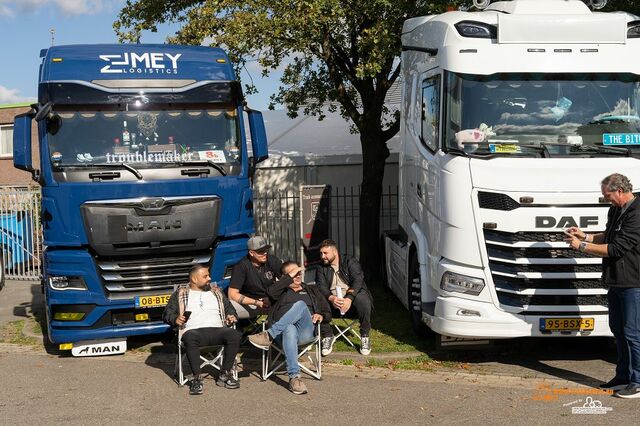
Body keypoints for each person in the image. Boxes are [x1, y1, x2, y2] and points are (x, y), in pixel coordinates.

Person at [565, 173, 640, 399]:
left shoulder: (637, 213)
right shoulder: (616, 209)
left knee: (633, 333)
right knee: (618, 331)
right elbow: (609, 236)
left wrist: (581, 247)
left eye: (607, 195)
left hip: (633, 282)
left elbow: (617, 248)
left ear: (619, 191)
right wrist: (585, 235)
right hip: (616, 279)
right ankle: (623, 376)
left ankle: (637, 381)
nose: (606, 199)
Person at [248, 261, 331, 395]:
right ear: (284, 278)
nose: (297, 276)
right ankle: (294, 378)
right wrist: (287, 279)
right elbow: (270, 293)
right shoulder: (279, 293)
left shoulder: (312, 290)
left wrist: (321, 315)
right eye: (293, 274)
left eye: (299, 273)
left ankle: (268, 336)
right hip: (282, 335)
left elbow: (327, 312)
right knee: (289, 328)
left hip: (305, 332)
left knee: (300, 305)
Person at [163, 264, 241, 395]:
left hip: (218, 330)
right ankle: (197, 378)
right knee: (190, 336)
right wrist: (175, 319)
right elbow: (167, 314)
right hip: (194, 332)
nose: (209, 278)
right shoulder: (181, 293)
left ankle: (225, 373)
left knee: (233, 334)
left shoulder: (216, 292)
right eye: (205, 276)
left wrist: (231, 316)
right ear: (194, 279)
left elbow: (230, 310)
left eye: (208, 275)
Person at [315, 239, 374, 356]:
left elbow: (358, 280)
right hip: (332, 303)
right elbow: (321, 286)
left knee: (362, 297)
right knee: (318, 298)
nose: (322, 256)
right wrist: (331, 298)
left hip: (351, 300)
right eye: (321, 253)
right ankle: (327, 336)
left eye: (325, 253)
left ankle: (365, 336)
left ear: (335, 252)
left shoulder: (350, 261)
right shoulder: (320, 267)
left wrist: (349, 298)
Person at [227, 235, 282, 319]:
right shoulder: (241, 266)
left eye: (265, 249)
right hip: (252, 302)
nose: (265, 253)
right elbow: (232, 295)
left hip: (272, 298)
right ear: (251, 253)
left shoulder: (272, 260)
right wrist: (257, 302)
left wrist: (273, 296)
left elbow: (285, 280)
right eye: (260, 251)